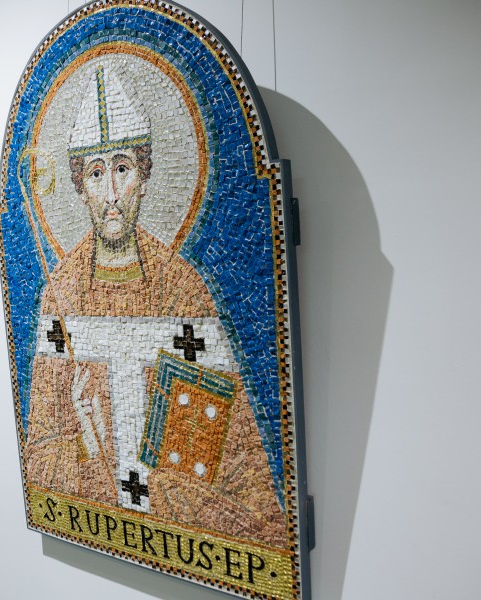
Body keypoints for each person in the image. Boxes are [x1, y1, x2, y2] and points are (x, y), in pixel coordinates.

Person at [24, 64, 286, 547]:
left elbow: (220, 463)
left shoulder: (181, 290)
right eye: (96, 173)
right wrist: (86, 441)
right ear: (80, 188)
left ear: (144, 177)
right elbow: (38, 458)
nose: (111, 195)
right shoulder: (60, 293)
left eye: (122, 169)